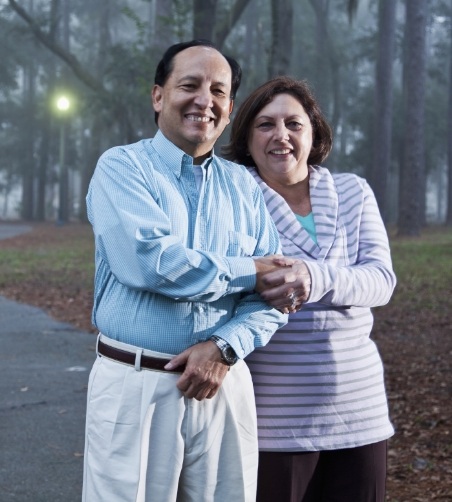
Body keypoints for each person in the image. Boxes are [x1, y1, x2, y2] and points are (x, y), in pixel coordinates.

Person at [83, 41, 305, 502]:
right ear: (158, 96)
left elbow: (277, 294)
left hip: (225, 385)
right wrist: (252, 271)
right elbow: (150, 264)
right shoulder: (122, 168)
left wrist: (224, 347)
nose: (205, 100)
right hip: (135, 386)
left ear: (228, 110)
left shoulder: (244, 185)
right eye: (190, 85)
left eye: (219, 91)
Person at [223, 76, 397, 502]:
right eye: (265, 125)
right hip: (276, 416)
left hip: (360, 409)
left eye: (293, 124)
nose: (281, 135)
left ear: (314, 132)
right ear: (247, 137)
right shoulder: (233, 200)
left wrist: (313, 277)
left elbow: (380, 280)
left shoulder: (353, 191)